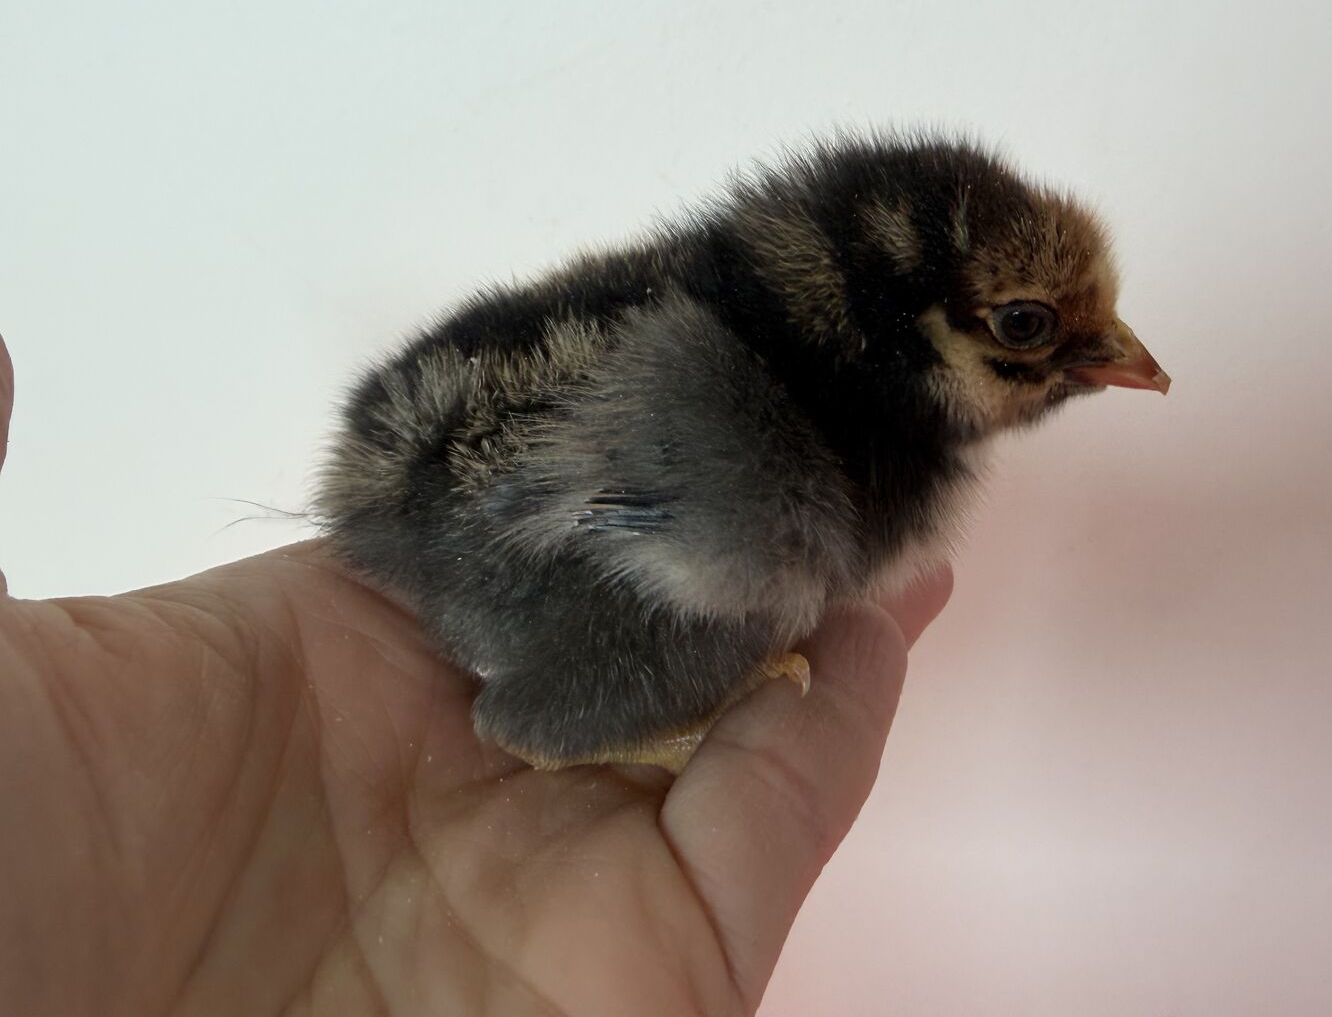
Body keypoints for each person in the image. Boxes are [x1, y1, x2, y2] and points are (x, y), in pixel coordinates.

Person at [0, 333, 952, 1015]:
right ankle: (551, 720)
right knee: (745, 582)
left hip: (461, 498)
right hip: (511, 541)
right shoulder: (776, 489)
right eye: (1025, 330)